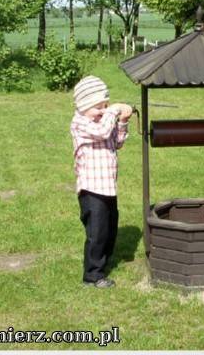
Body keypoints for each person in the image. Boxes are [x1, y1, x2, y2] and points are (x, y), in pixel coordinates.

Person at [70, 75, 133, 288]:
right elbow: (103, 132)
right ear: (84, 106)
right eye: (98, 107)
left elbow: (116, 141)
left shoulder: (102, 120)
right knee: (96, 233)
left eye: (105, 105)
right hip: (91, 189)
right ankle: (92, 275)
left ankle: (104, 262)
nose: (103, 111)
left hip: (108, 187)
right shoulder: (80, 123)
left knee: (109, 229)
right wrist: (114, 111)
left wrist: (122, 121)